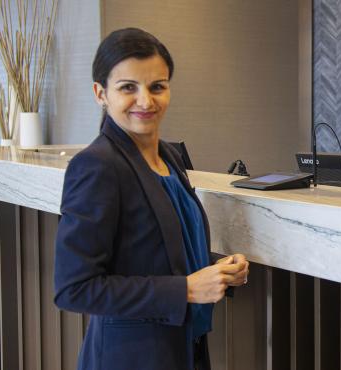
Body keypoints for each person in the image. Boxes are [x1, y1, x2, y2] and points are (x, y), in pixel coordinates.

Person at [53, 28, 249, 370]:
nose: (146, 101)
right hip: (132, 357)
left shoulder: (170, 156)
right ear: (100, 93)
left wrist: (216, 270)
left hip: (186, 348)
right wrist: (185, 289)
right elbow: (75, 288)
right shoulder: (97, 166)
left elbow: (161, 246)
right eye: (128, 87)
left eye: (157, 86)